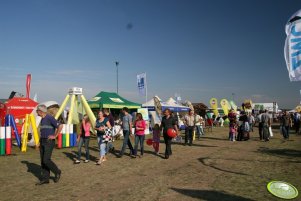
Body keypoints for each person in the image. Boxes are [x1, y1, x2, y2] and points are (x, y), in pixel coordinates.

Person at [36, 104, 63, 185]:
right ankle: (45, 179)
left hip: (49, 142)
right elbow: (42, 131)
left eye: (37, 110)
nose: (36, 112)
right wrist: (39, 142)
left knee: (46, 160)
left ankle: (57, 172)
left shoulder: (49, 117)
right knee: (43, 161)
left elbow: (60, 126)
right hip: (42, 141)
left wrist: (55, 136)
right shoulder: (42, 119)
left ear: (40, 111)